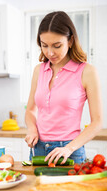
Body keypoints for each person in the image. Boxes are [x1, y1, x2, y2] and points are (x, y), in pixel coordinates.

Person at [25, 11, 102, 166]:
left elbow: (97, 122)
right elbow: (30, 110)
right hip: (38, 149)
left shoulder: (87, 71)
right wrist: (32, 129)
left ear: (71, 40)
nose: (50, 52)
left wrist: (68, 148)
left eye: (57, 45)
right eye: (44, 45)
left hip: (69, 152)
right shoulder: (38, 70)